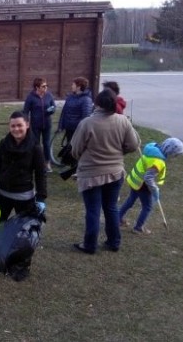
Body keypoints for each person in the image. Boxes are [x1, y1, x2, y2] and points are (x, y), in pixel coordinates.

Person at [70, 89, 140, 254]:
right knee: (111, 207)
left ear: (97, 104)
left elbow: (75, 150)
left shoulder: (87, 123)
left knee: (93, 210)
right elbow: (133, 144)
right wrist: (119, 152)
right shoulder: (123, 121)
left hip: (91, 174)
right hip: (115, 172)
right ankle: (114, 242)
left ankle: (89, 245)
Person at [0, 111, 47, 221]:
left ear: (27, 125)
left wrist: (41, 197)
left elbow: (40, 174)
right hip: (3, 195)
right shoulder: (4, 143)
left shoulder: (35, 147)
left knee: (23, 231)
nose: (16, 129)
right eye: (13, 126)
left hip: (24, 197)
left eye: (19, 125)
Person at [119, 137, 183, 234]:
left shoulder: (151, 149)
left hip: (135, 181)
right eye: (174, 155)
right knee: (147, 206)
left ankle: (117, 219)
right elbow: (148, 178)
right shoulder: (158, 161)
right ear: (170, 151)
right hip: (143, 186)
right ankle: (138, 228)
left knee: (130, 200)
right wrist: (154, 190)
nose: (174, 157)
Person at [23, 77, 56, 172]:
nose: (46, 88)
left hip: (47, 124)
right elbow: (25, 111)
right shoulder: (30, 97)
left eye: (46, 86)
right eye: (43, 86)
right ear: (37, 87)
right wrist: (26, 123)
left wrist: (50, 110)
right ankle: (36, 162)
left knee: (46, 144)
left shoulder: (49, 95)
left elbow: (53, 106)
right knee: (36, 144)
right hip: (35, 125)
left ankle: (47, 163)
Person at [58, 76, 94, 142]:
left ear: (79, 87)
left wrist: (81, 130)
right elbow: (64, 112)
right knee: (69, 147)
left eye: (73, 84)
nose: (71, 86)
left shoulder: (86, 100)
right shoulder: (70, 97)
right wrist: (60, 126)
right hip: (69, 129)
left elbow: (86, 117)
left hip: (78, 130)